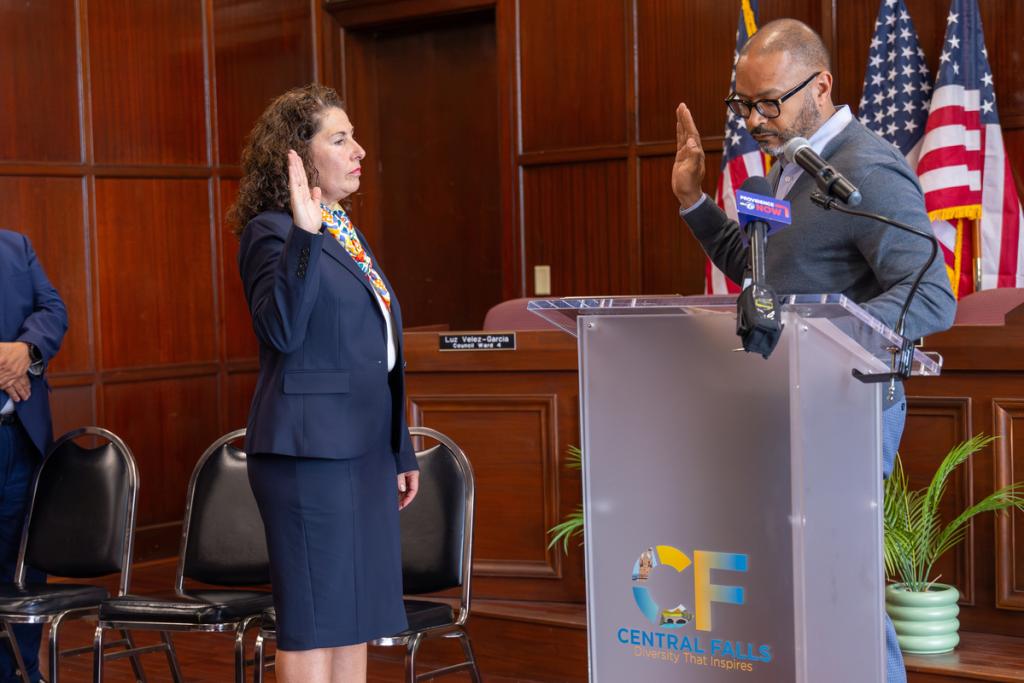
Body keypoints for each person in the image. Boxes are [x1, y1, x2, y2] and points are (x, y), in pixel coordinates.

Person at [670, 18, 956, 683]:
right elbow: (757, 268)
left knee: (837, 581)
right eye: (743, 105)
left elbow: (930, 295)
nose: (754, 120)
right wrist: (692, 200)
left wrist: (818, 339)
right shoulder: (786, 167)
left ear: (821, 85)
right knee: (794, 581)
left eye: (768, 102)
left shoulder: (864, 166)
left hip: (846, 403)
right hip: (784, 399)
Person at [231, 84, 420, 683]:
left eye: (354, 136)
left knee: (354, 618)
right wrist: (305, 235)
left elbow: (378, 351)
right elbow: (281, 330)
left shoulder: (343, 228)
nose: (359, 149)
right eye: (340, 139)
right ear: (298, 155)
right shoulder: (273, 231)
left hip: (364, 451)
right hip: (308, 454)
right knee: (315, 621)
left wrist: (399, 446)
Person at [0, 229, 68, 683]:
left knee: (21, 569)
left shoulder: (16, 245)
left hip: (22, 440)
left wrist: (25, 351)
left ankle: (22, 674)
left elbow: (53, 310)